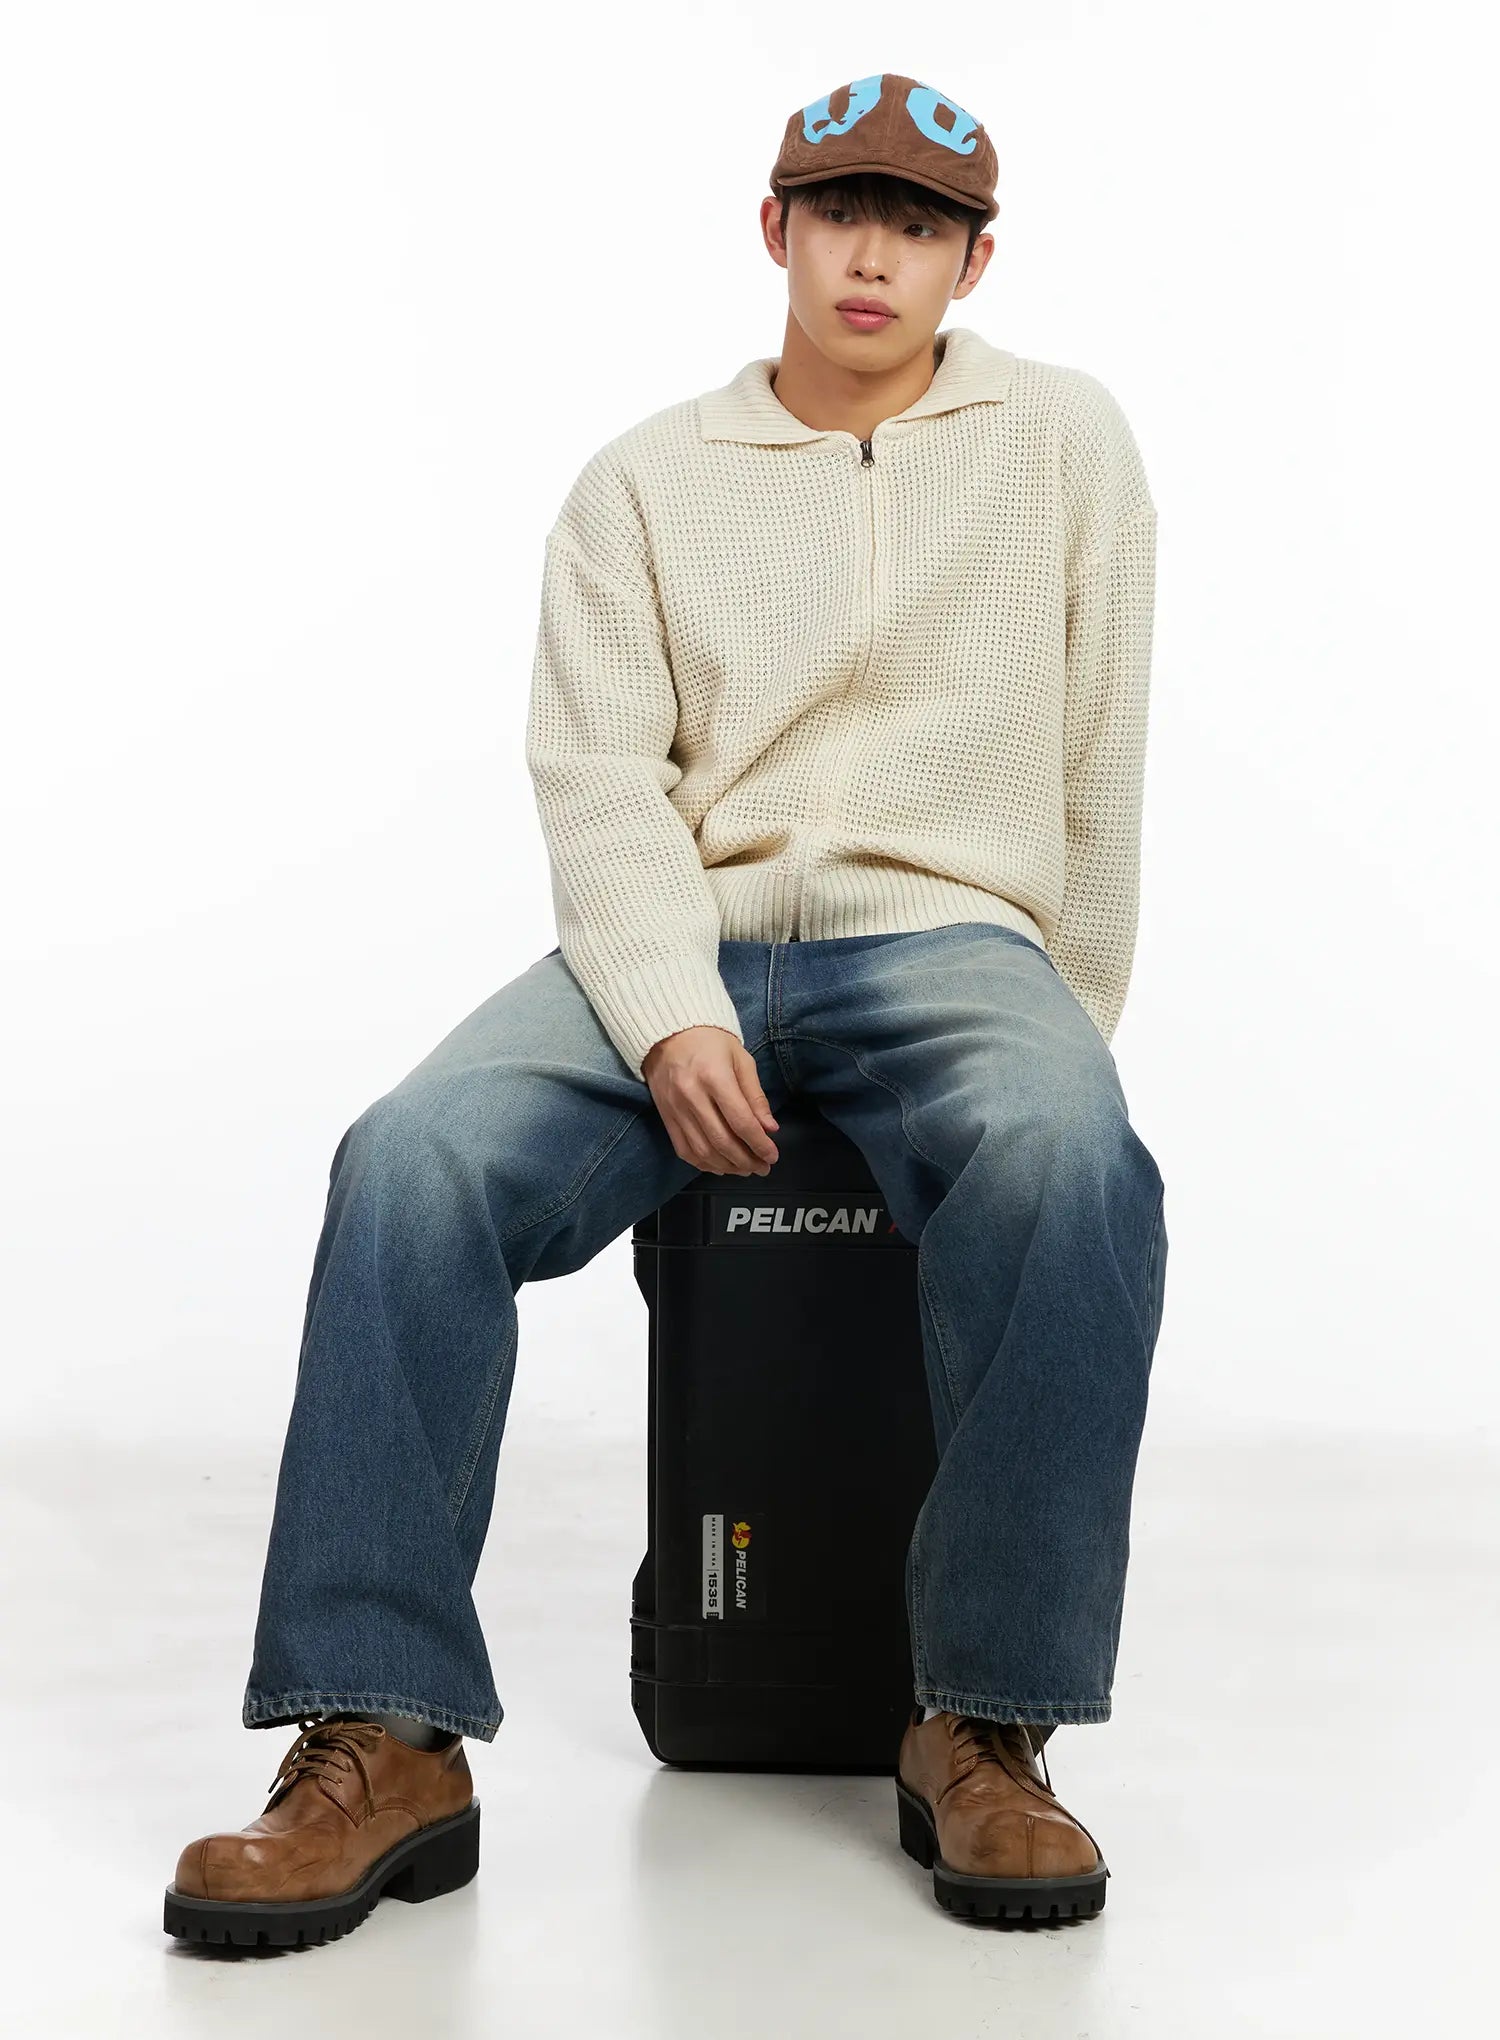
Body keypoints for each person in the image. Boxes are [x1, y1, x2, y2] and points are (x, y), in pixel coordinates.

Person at [164, 68, 1166, 1946]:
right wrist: (666, 1007)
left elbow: (1101, 755)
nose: (876, 257)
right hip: (679, 936)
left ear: (973, 261)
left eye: (922, 228)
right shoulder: (642, 481)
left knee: (1072, 1158)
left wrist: (1063, 1030)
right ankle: (381, 1732)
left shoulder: (1065, 442)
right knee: (411, 1160)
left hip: (953, 944)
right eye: (843, 213)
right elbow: (599, 776)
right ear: (775, 227)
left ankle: (984, 1725)